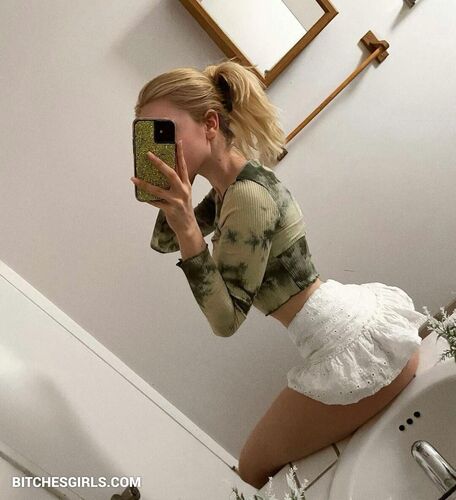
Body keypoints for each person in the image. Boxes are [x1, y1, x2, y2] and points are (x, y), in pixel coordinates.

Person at [132, 58, 427, 490]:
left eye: (164, 131)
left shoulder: (248, 197)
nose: (155, 146)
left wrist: (189, 229)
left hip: (350, 348)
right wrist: (174, 192)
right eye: (147, 135)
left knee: (251, 468)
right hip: (343, 332)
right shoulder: (229, 186)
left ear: (210, 124)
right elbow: (163, 242)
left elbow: (226, 321)